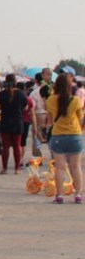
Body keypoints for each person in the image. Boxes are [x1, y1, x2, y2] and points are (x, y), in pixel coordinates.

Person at [46, 72, 83, 204]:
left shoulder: (50, 100)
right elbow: (80, 118)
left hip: (58, 136)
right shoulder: (76, 100)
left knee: (60, 167)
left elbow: (50, 119)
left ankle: (59, 195)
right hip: (74, 135)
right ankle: (78, 194)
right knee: (75, 166)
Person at [0, 74, 27, 174]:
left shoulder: (1, 94)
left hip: (5, 122)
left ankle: (4, 168)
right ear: (15, 82)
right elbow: (25, 108)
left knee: (5, 146)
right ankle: (17, 169)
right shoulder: (21, 94)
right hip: (18, 122)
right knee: (17, 146)